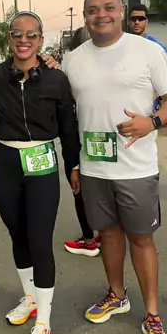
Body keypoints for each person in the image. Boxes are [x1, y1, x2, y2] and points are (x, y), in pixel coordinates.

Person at [64, 0, 167, 334]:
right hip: (93, 167)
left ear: (121, 11)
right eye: (92, 10)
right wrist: (75, 163)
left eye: (108, 8)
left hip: (136, 168)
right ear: (85, 16)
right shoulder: (73, 60)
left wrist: (152, 121)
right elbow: (69, 116)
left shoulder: (147, 51)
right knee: (108, 235)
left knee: (141, 240)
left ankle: (152, 314)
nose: (100, 15)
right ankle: (116, 295)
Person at [0, 11, 80, 334]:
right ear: (9, 39)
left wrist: (73, 166)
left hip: (42, 162)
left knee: (40, 240)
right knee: (18, 234)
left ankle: (44, 323)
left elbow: (68, 128)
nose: (24, 40)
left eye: (31, 34)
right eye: (17, 34)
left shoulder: (56, 80)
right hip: (7, 162)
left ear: (41, 39)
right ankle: (30, 298)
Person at [62, 24, 101, 257]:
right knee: (101, 190)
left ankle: (89, 240)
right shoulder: (108, 65)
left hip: (77, 138)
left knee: (79, 189)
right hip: (102, 137)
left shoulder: (71, 64)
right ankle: (104, 234)